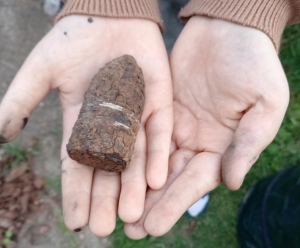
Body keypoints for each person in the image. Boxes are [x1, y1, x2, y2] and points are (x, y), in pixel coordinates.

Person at [0, 0, 298, 239]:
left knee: (175, 54)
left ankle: (175, 169)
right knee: (163, 48)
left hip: (201, 33)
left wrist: (244, 8)